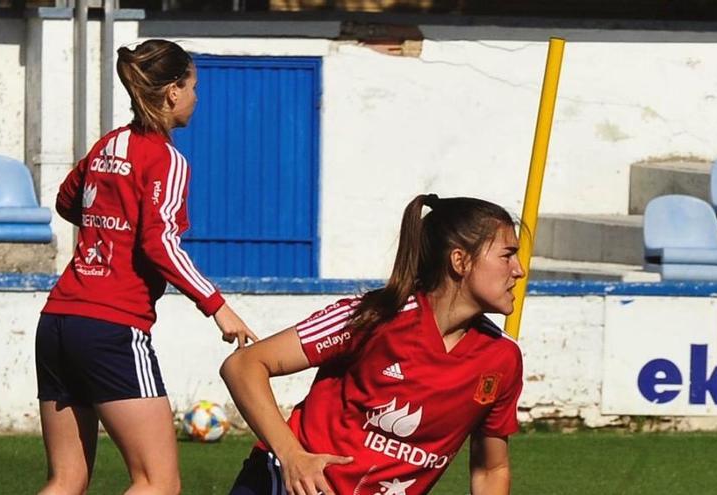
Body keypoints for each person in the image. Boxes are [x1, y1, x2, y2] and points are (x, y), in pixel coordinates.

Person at [35, 39, 257, 495]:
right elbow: (160, 242)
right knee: (158, 483)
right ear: (173, 91)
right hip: (110, 328)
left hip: (58, 322)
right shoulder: (166, 159)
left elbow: (65, 200)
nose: (198, 96)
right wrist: (217, 306)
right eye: (194, 86)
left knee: (67, 479)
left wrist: (109, 227)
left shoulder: (107, 145)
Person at [222, 194, 526, 495]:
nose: (519, 270)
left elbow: (491, 469)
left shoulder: (502, 358)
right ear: (460, 261)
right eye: (507, 254)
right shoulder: (375, 317)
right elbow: (244, 366)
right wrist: (292, 456)